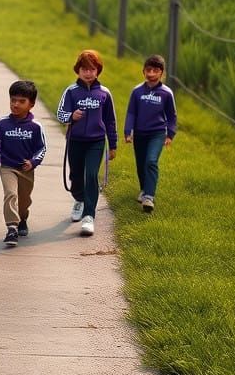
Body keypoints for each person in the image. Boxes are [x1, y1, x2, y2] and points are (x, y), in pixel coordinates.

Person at [56, 49, 116, 237]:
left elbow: (110, 120)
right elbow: (60, 114)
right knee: (76, 176)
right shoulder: (71, 92)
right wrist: (71, 116)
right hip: (75, 141)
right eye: (84, 69)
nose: (88, 73)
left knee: (90, 175)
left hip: (96, 142)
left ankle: (89, 216)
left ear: (98, 70)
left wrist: (113, 145)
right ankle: (79, 200)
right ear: (78, 70)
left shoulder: (104, 93)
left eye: (92, 69)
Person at [123, 54, 177, 212]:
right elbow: (131, 112)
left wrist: (170, 134)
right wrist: (128, 131)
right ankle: (144, 189)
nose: (151, 73)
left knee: (151, 161)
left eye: (155, 70)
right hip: (140, 133)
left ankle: (149, 197)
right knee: (141, 164)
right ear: (143, 72)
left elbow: (172, 116)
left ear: (161, 72)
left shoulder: (166, 93)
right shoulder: (137, 92)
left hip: (157, 133)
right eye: (148, 70)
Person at [0, 80, 47, 247]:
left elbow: (41, 148)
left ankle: (22, 218)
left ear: (31, 104)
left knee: (24, 201)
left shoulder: (35, 127)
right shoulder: (2, 124)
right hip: (7, 167)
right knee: (11, 194)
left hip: (26, 169)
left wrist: (33, 162)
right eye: (13, 100)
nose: (16, 104)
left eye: (21, 101)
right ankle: (12, 228)